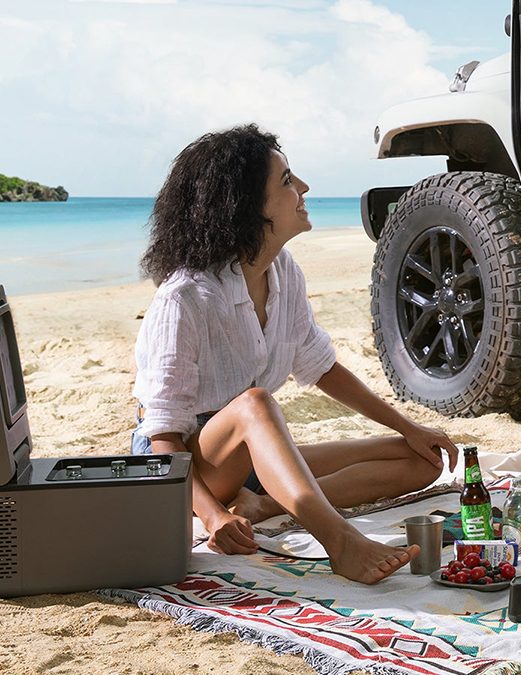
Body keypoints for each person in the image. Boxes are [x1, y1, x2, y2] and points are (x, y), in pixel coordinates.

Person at [132, 124, 460, 584]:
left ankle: (265, 503)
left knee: (422, 460)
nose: (303, 187)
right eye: (287, 180)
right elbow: (162, 439)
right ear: (247, 206)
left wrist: (409, 428)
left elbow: (321, 367)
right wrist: (211, 518)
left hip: (249, 455)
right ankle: (340, 541)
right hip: (183, 469)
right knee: (256, 402)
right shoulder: (186, 298)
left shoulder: (284, 272)